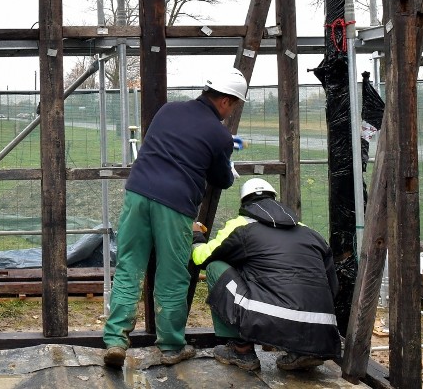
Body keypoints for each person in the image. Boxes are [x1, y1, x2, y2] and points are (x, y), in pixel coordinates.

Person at [103, 68, 247, 368]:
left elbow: (162, 145)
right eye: (233, 105)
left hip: (138, 193)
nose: (230, 111)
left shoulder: (168, 110)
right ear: (225, 100)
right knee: (172, 275)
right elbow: (221, 179)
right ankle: (170, 347)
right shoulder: (220, 134)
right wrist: (223, 157)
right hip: (175, 204)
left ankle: (115, 340)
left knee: (129, 265)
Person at [191, 178, 340, 372]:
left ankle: (240, 349)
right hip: (322, 328)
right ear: (275, 200)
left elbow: (203, 258)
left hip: (272, 319)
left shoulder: (242, 226)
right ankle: (303, 351)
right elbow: (332, 286)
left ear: (244, 203)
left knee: (215, 267)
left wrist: (196, 237)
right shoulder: (311, 233)